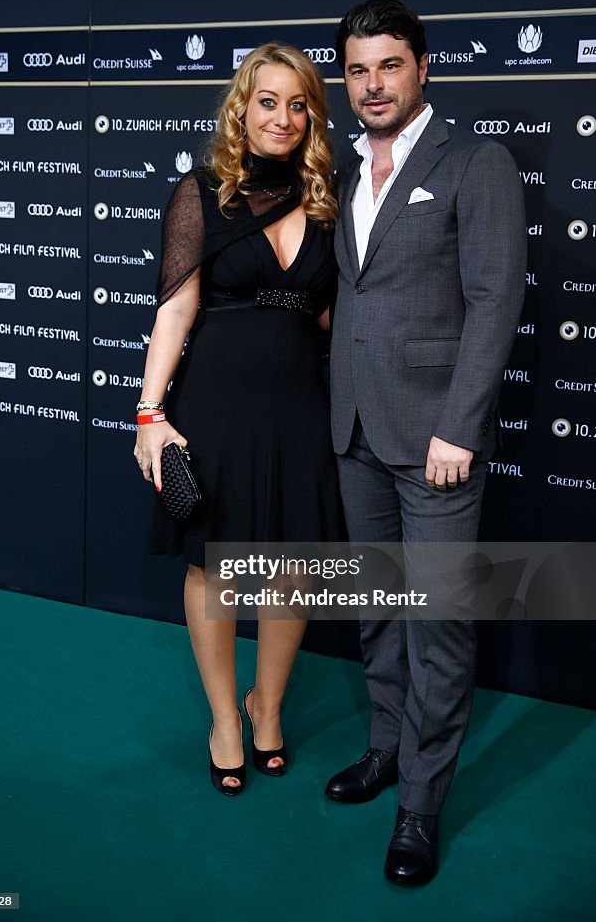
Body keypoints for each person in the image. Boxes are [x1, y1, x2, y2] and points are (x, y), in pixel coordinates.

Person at [325, 0, 526, 884]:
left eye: (389, 66)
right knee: (379, 612)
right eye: (358, 69)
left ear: (422, 68)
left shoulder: (474, 162)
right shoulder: (335, 171)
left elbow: (494, 301)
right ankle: (382, 749)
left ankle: (419, 803)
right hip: (354, 431)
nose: (373, 85)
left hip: (435, 438)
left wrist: (461, 425)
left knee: (436, 623)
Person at [133, 43, 340, 796]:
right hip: (215, 401)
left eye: (297, 104)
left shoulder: (327, 196)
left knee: (291, 565)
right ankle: (224, 716)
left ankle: (267, 707)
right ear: (241, 108)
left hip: (299, 404)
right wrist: (150, 413)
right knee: (215, 565)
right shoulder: (202, 192)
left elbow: (329, 315)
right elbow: (175, 308)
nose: (281, 118)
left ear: (311, 115)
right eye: (267, 101)